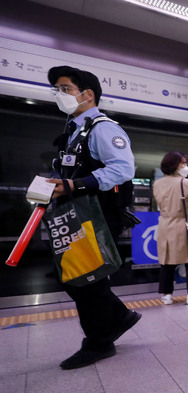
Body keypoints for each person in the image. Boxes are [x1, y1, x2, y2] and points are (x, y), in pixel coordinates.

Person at [45, 65, 141, 370]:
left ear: (87, 94)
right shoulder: (73, 131)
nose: (58, 95)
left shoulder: (103, 127)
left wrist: (74, 184)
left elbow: (122, 169)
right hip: (76, 215)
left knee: (87, 281)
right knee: (76, 279)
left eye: (64, 89)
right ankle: (119, 318)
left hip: (98, 216)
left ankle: (98, 342)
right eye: (56, 89)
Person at [153, 151, 188, 305]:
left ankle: (167, 296)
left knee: (167, 261)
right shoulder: (186, 183)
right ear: (174, 165)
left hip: (165, 225)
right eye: (183, 163)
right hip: (185, 225)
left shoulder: (157, 183)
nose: (186, 166)